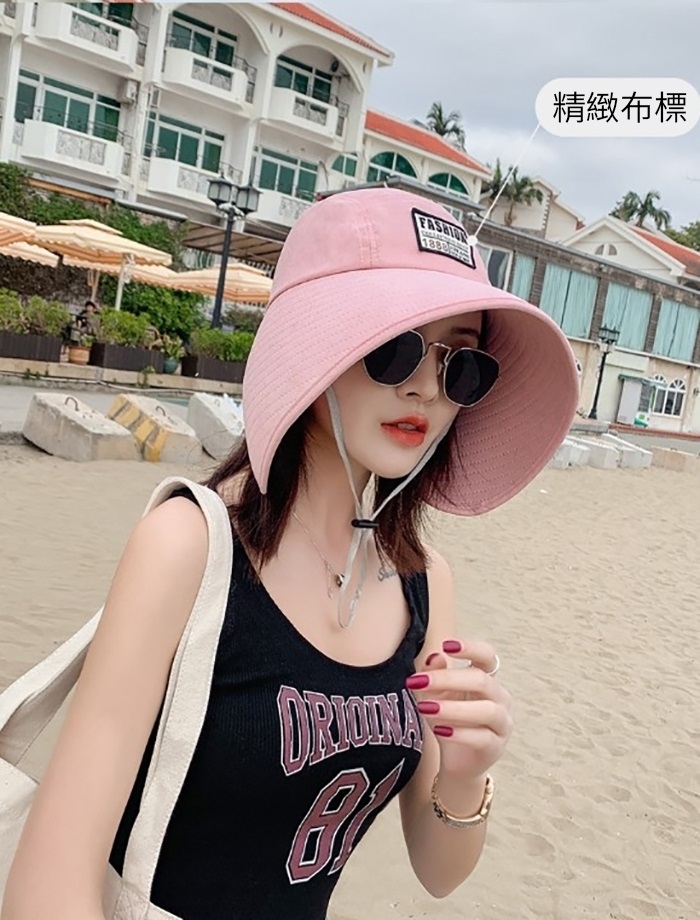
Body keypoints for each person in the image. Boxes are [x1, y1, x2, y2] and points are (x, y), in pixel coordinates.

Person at [2, 188, 579, 920]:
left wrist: (465, 774)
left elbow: (440, 872)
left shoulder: (425, 584)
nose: (426, 387)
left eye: (461, 363)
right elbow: (47, 885)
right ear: (317, 345)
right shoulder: (188, 546)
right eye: (394, 346)